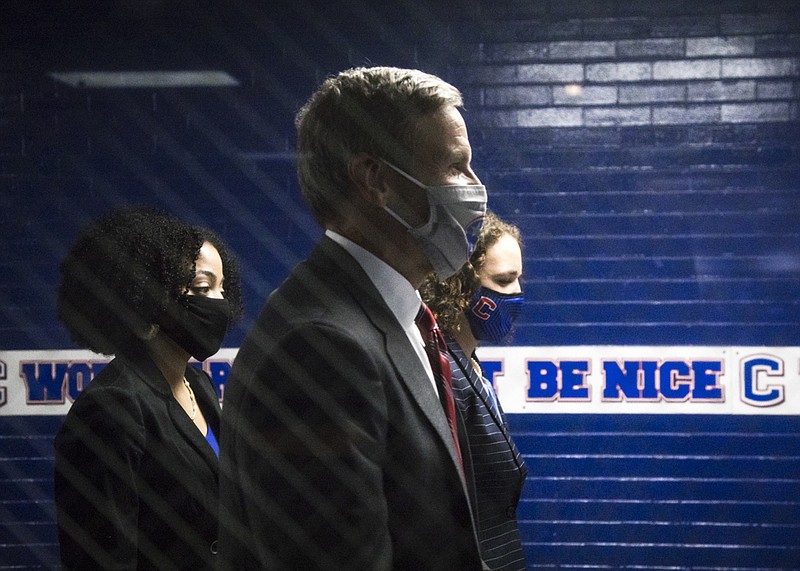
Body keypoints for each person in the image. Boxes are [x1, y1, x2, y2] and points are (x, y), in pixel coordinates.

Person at [218, 66, 488, 570]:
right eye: (456, 167)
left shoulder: (400, 317)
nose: (475, 187)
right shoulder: (320, 347)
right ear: (376, 180)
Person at [53, 206, 243, 570]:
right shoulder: (112, 408)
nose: (221, 303)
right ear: (148, 297)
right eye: (203, 288)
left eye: (223, 288)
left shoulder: (197, 385)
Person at [420, 210, 529, 570]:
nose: (516, 293)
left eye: (519, 279)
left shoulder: (471, 363)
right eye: (503, 280)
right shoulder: (442, 375)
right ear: (459, 286)